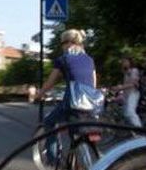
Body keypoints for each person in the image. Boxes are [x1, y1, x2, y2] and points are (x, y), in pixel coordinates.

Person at [36, 29, 97, 162]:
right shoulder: (89, 60)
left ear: (69, 43)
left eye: (62, 43)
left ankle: (53, 158)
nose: (62, 47)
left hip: (72, 101)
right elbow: (93, 83)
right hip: (91, 102)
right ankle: (78, 157)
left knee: (49, 122)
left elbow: (50, 82)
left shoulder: (63, 59)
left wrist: (39, 94)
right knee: (77, 128)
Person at [112, 57, 142, 127]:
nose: (123, 63)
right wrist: (118, 89)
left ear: (130, 62)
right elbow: (125, 85)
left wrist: (120, 87)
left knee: (130, 111)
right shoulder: (126, 73)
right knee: (125, 114)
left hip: (133, 93)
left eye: (125, 61)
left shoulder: (134, 70)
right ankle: (132, 131)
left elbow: (134, 84)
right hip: (127, 95)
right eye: (123, 62)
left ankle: (140, 130)